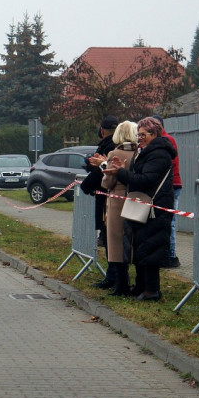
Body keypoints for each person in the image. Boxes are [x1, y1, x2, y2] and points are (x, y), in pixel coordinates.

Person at [102, 117, 176, 302]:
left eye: (143, 134)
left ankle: (152, 290)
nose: (139, 138)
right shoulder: (148, 151)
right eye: (138, 134)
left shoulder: (158, 154)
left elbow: (144, 180)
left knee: (151, 248)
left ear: (154, 134)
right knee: (142, 246)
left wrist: (121, 172)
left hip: (154, 207)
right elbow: (139, 176)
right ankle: (142, 286)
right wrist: (123, 170)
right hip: (146, 204)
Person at [98, 120, 138, 296]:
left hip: (117, 199)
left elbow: (107, 182)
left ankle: (121, 284)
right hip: (136, 199)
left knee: (115, 243)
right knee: (133, 241)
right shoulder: (139, 153)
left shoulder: (114, 153)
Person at [84, 115, 118, 288]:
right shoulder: (111, 146)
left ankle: (114, 278)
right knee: (108, 239)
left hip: (109, 200)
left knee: (110, 239)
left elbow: (104, 172)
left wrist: (86, 184)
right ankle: (112, 277)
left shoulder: (111, 149)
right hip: (107, 198)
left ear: (102, 131)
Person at [154, 115, 183, 268]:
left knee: (170, 221)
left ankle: (170, 253)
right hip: (165, 185)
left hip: (172, 185)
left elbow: (170, 162)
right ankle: (164, 253)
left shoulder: (167, 140)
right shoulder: (160, 140)